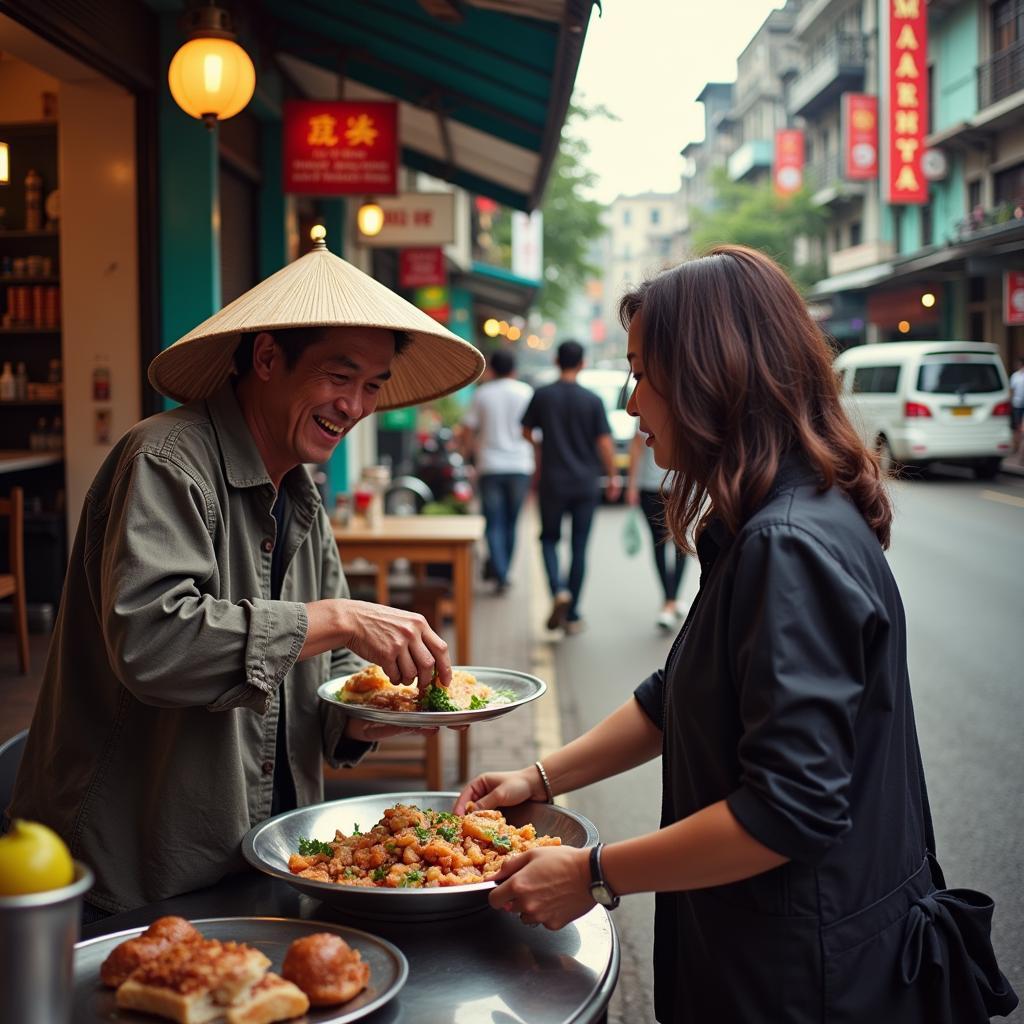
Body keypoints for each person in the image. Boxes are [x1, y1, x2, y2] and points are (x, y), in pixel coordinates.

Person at [456, 246, 1018, 1022]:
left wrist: (591, 873)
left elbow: (789, 809)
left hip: (807, 981)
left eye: (644, 374)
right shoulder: (772, 519)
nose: (630, 403)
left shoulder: (786, 545)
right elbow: (678, 696)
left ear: (708, 379)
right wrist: (540, 780)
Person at [7, 237, 485, 917]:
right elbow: (153, 644)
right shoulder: (167, 461)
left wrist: (376, 715)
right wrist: (342, 618)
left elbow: (325, 676)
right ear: (266, 358)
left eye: (372, 387)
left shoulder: (302, 493)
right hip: (141, 863)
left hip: (269, 852)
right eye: (338, 376)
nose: (354, 406)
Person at [521, 341, 620, 634]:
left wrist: (541, 446)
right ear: (582, 362)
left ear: (555, 360)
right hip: (586, 482)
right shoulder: (592, 400)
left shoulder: (543, 395)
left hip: (553, 481)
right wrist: (612, 475)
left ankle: (558, 590)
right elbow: (604, 442)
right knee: (579, 546)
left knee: (549, 539)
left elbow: (525, 430)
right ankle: (573, 613)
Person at [460, 349, 534, 593]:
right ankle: (505, 571)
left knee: (493, 522)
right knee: (512, 522)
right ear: (514, 369)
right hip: (520, 466)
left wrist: (466, 457)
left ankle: (501, 572)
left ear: (491, 369)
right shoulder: (526, 392)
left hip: (490, 465)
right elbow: (534, 434)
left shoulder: (482, 394)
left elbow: (469, 430)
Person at [626, 425, 686, 630]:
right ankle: (669, 600)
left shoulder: (688, 410)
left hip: (681, 488)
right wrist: (632, 485)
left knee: (681, 544)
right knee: (660, 543)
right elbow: (636, 448)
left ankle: (671, 600)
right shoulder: (648, 409)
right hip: (651, 489)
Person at [1010, 356, 1024, 455]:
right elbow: (1012, 390)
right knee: (1017, 426)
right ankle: (1016, 446)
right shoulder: (1015, 376)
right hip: (1017, 404)